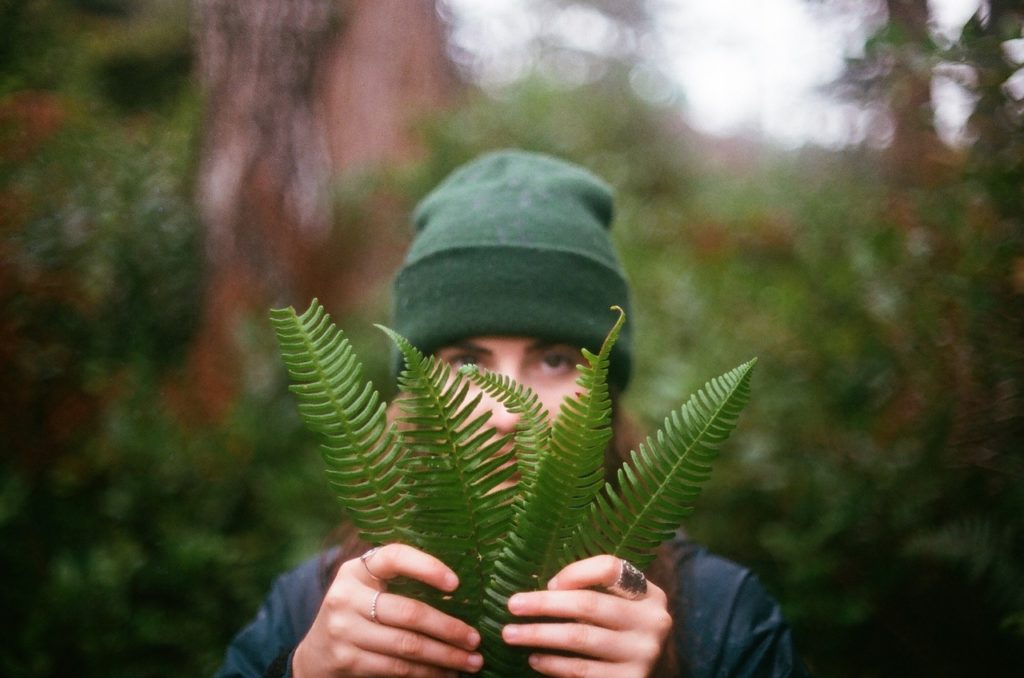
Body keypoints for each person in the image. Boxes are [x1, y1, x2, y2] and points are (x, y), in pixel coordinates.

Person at [216, 150, 808, 677]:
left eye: (554, 359)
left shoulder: (725, 616)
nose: (503, 412)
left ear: (605, 390)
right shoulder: (311, 609)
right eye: (464, 360)